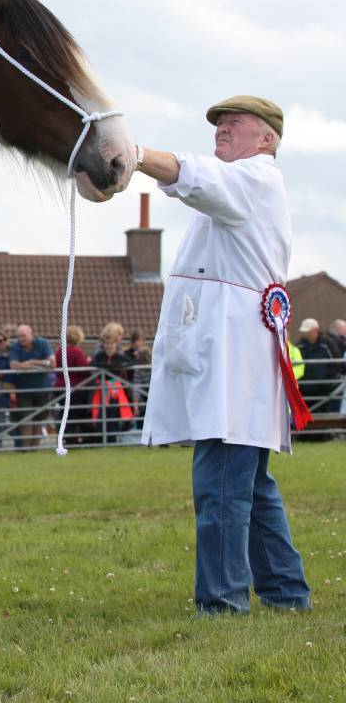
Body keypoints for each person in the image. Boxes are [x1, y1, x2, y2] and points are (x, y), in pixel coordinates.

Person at [137, 94, 310, 614]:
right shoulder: (239, 189)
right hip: (229, 357)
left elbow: (197, 177)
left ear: (267, 140)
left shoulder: (255, 178)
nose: (221, 129)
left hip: (234, 361)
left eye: (234, 123)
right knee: (250, 486)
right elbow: (201, 183)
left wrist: (134, 152)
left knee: (221, 484)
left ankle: (222, 601)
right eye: (217, 124)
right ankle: (285, 592)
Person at [8, 324, 55, 450]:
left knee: (39, 419)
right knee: (26, 418)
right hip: (23, 390)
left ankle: (34, 449)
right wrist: (40, 365)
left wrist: (32, 362)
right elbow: (14, 365)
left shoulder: (43, 343)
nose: (21, 338)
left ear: (31, 334)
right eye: (18, 336)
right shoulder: (15, 347)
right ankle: (26, 450)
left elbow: (52, 363)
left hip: (42, 389)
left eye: (23, 335)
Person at [90, 322, 135, 441]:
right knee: (100, 414)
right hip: (101, 390)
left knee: (114, 414)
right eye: (107, 343)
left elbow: (129, 363)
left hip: (115, 392)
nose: (109, 346)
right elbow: (93, 364)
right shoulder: (99, 354)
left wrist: (112, 367)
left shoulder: (120, 356)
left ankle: (112, 439)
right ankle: (100, 439)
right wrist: (112, 367)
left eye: (111, 343)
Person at [294, 318, 342, 419]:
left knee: (323, 415)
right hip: (305, 388)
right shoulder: (300, 345)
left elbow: (337, 362)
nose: (306, 334)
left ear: (315, 330)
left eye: (308, 332)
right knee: (306, 416)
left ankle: (324, 434)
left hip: (324, 388)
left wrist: (329, 379)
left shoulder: (327, 344)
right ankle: (306, 434)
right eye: (305, 332)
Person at [53, 325, 93, 445]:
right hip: (75, 388)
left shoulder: (60, 350)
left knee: (64, 414)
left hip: (60, 386)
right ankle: (71, 440)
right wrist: (89, 362)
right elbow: (84, 370)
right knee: (74, 414)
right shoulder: (76, 351)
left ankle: (62, 439)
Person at [125, 330, 153, 430]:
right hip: (142, 394)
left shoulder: (154, 368)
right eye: (135, 341)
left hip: (151, 394)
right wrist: (136, 405)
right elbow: (136, 387)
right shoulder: (137, 369)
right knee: (143, 412)